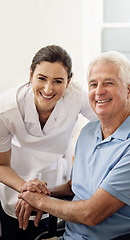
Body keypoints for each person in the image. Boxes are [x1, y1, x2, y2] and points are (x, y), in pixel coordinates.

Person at [17, 51, 130, 240]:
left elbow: (91, 214)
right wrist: (39, 191)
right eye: (93, 84)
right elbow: (73, 187)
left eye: (108, 82)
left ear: (129, 90)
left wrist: (39, 200)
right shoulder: (87, 133)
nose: (99, 91)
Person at [0, 44, 98, 240]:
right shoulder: (7, 109)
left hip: (56, 190)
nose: (48, 89)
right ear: (31, 75)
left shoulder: (76, 96)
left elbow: (110, 118)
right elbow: (1, 165)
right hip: (16, 190)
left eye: (58, 81)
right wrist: (27, 190)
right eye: (42, 78)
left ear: (69, 81)